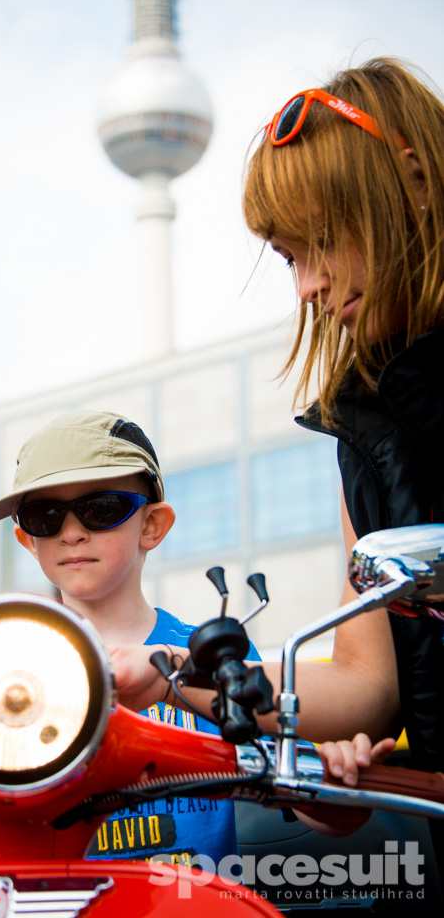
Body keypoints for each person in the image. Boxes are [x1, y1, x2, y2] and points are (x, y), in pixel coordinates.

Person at [113, 57, 444, 857]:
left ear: (411, 181)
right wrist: (172, 675)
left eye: (318, 243)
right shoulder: (363, 430)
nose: (303, 287)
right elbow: (364, 688)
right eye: (288, 256)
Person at [0, 408, 260, 870]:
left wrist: (340, 768)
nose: (71, 533)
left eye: (100, 509)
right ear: (27, 538)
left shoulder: (216, 657)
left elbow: (314, 812)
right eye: (46, 516)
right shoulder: (2, 680)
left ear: (152, 525)